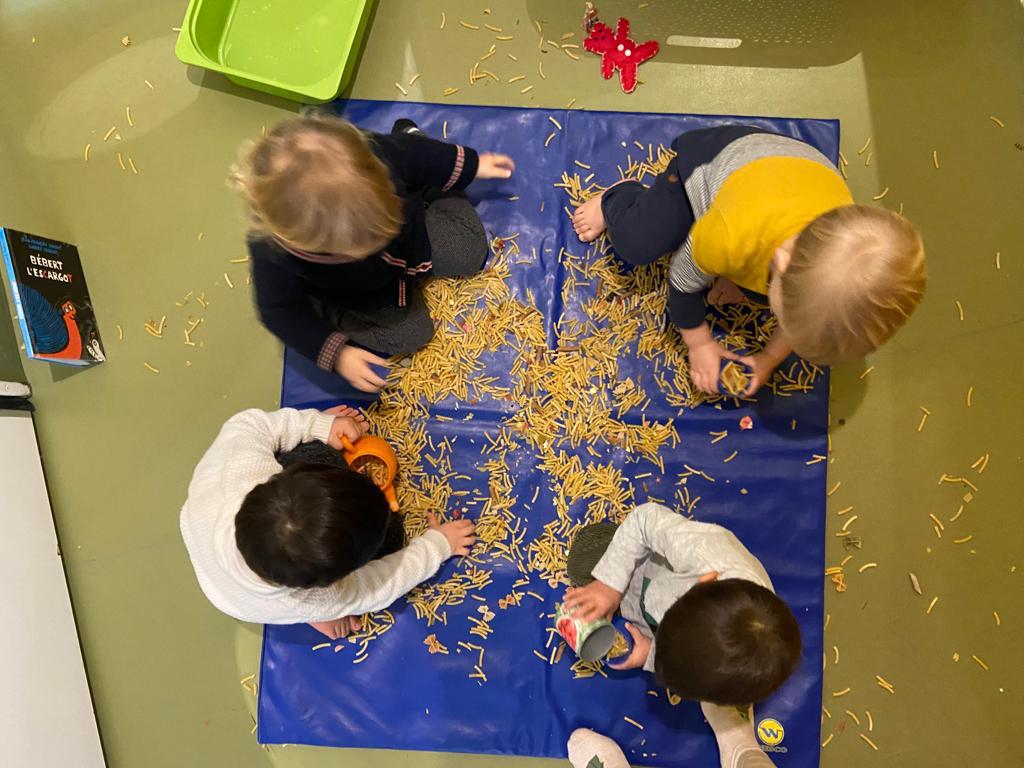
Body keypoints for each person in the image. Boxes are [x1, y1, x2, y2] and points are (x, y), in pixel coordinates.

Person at [572, 126, 926, 394]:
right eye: (787, 319)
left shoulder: (826, 245)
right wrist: (699, 343)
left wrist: (769, 358)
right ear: (781, 264)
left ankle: (745, 279)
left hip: (787, 172)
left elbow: (807, 310)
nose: (784, 326)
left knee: (785, 296)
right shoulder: (731, 235)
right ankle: (618, 199)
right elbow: (681, 281)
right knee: (637, 244)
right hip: (708, 165)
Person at [232, 113, 515, 392]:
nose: (376, 240)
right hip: (362, 293)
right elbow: (278, 312)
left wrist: (472, 165)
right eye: (361, 241)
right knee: (411, 336)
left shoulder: (374, 157)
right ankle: (327, 311)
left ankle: (423, 169)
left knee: (468, 250)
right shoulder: (275, 255)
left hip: (412, 239)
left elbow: (416, 156)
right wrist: (338, 354)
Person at [179, 405, 475, 640]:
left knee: (316, 449)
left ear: (282, 479)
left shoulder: (238, 466)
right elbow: (380, 585)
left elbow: (250, 423)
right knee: (392, 538)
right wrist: (439, 545)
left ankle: (311, 605)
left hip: (209, 530)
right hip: (243, 600)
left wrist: (320, 425)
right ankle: (315, 616)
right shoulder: (322, 596)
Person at [563, 502, 800, 703]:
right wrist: (609, 585)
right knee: (582, 559)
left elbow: (691, 667)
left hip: (651, 619)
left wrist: (650, 654)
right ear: (704, 581)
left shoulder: (727, 668)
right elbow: (644, 519)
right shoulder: (703, 552)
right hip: (646, 568)